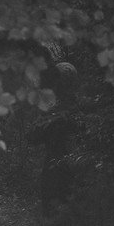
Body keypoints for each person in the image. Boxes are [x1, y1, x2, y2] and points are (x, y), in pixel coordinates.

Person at [27, 61, 80, 217]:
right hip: (78, 175)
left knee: (51, 218)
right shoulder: (83, 108)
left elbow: (32, 137)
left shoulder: (54, 112)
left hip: (53, 175)